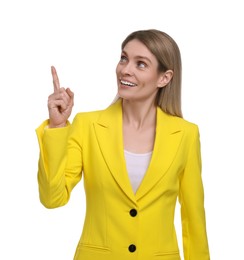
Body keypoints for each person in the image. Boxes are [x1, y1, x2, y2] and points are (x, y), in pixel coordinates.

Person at [36, 29, 210, 260]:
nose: (125, 69)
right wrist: (57, 128)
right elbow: (52, 198)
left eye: (141, 64)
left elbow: (193, 219)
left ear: (164, 78)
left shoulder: (186, 134)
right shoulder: (88, 125)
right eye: (124, 58)